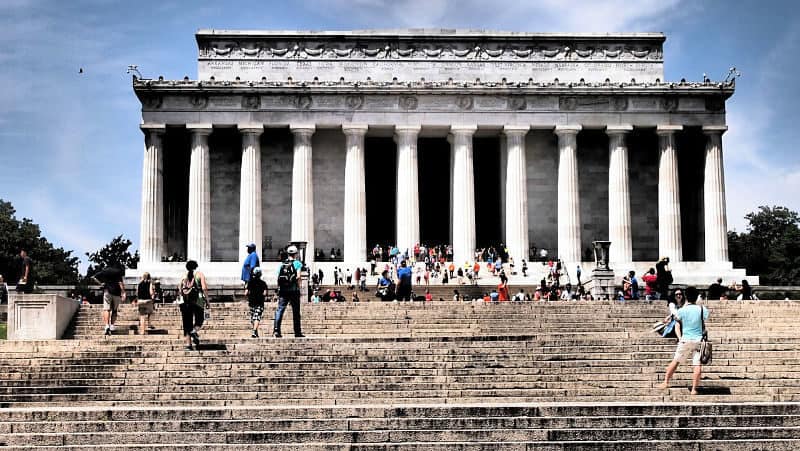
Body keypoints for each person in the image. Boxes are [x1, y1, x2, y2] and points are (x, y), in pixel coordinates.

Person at [658, 286, 709, 395]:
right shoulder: (702, 309)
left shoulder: (682, 310)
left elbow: (677, 319)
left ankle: (666, 382)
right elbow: (704, 319)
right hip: (698, 340)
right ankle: (694, 389)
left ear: (686, 296)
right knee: (697, 365)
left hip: (685, 339)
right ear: (696, 297)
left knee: (676, 361)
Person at [273, 245, 304, 338]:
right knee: (296, 311)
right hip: (294, 290)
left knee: (280, 310)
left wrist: (279, 288)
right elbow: (298, 276)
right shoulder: (297, 263)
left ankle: (276, 330)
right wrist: (299, 286)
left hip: (283, 290)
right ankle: (297, 332)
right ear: (296, 254)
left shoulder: (282, 264)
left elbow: (278, 278)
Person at [179, 260, 210, 350]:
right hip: (198, 300)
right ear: (196, 266)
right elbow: (204, 288)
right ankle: (194, 331)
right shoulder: (199, 274)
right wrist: (207, 301)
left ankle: (188, 345)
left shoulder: (183, 276)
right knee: (200, 319)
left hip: (185, 302)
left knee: (187, 323)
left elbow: (180, 289)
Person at [100, 266, 125, 336]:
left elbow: (93, 277)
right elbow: (120, 283)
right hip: (116, 292)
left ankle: (107, 325)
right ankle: (112, 325)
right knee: (114, 310)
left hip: (107, 291)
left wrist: (100, 283)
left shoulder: (105, 271)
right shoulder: (118, 272)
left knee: (106, 309)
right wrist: (123, 292)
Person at [245, 267, 267, 338]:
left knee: (253, 317)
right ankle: (255, 331)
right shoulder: (263, 283)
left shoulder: (250, 282)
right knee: (257, 317)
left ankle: (254, 331)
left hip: (251, 302)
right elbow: (265, 293)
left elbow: (246, 293)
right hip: (260, 302)